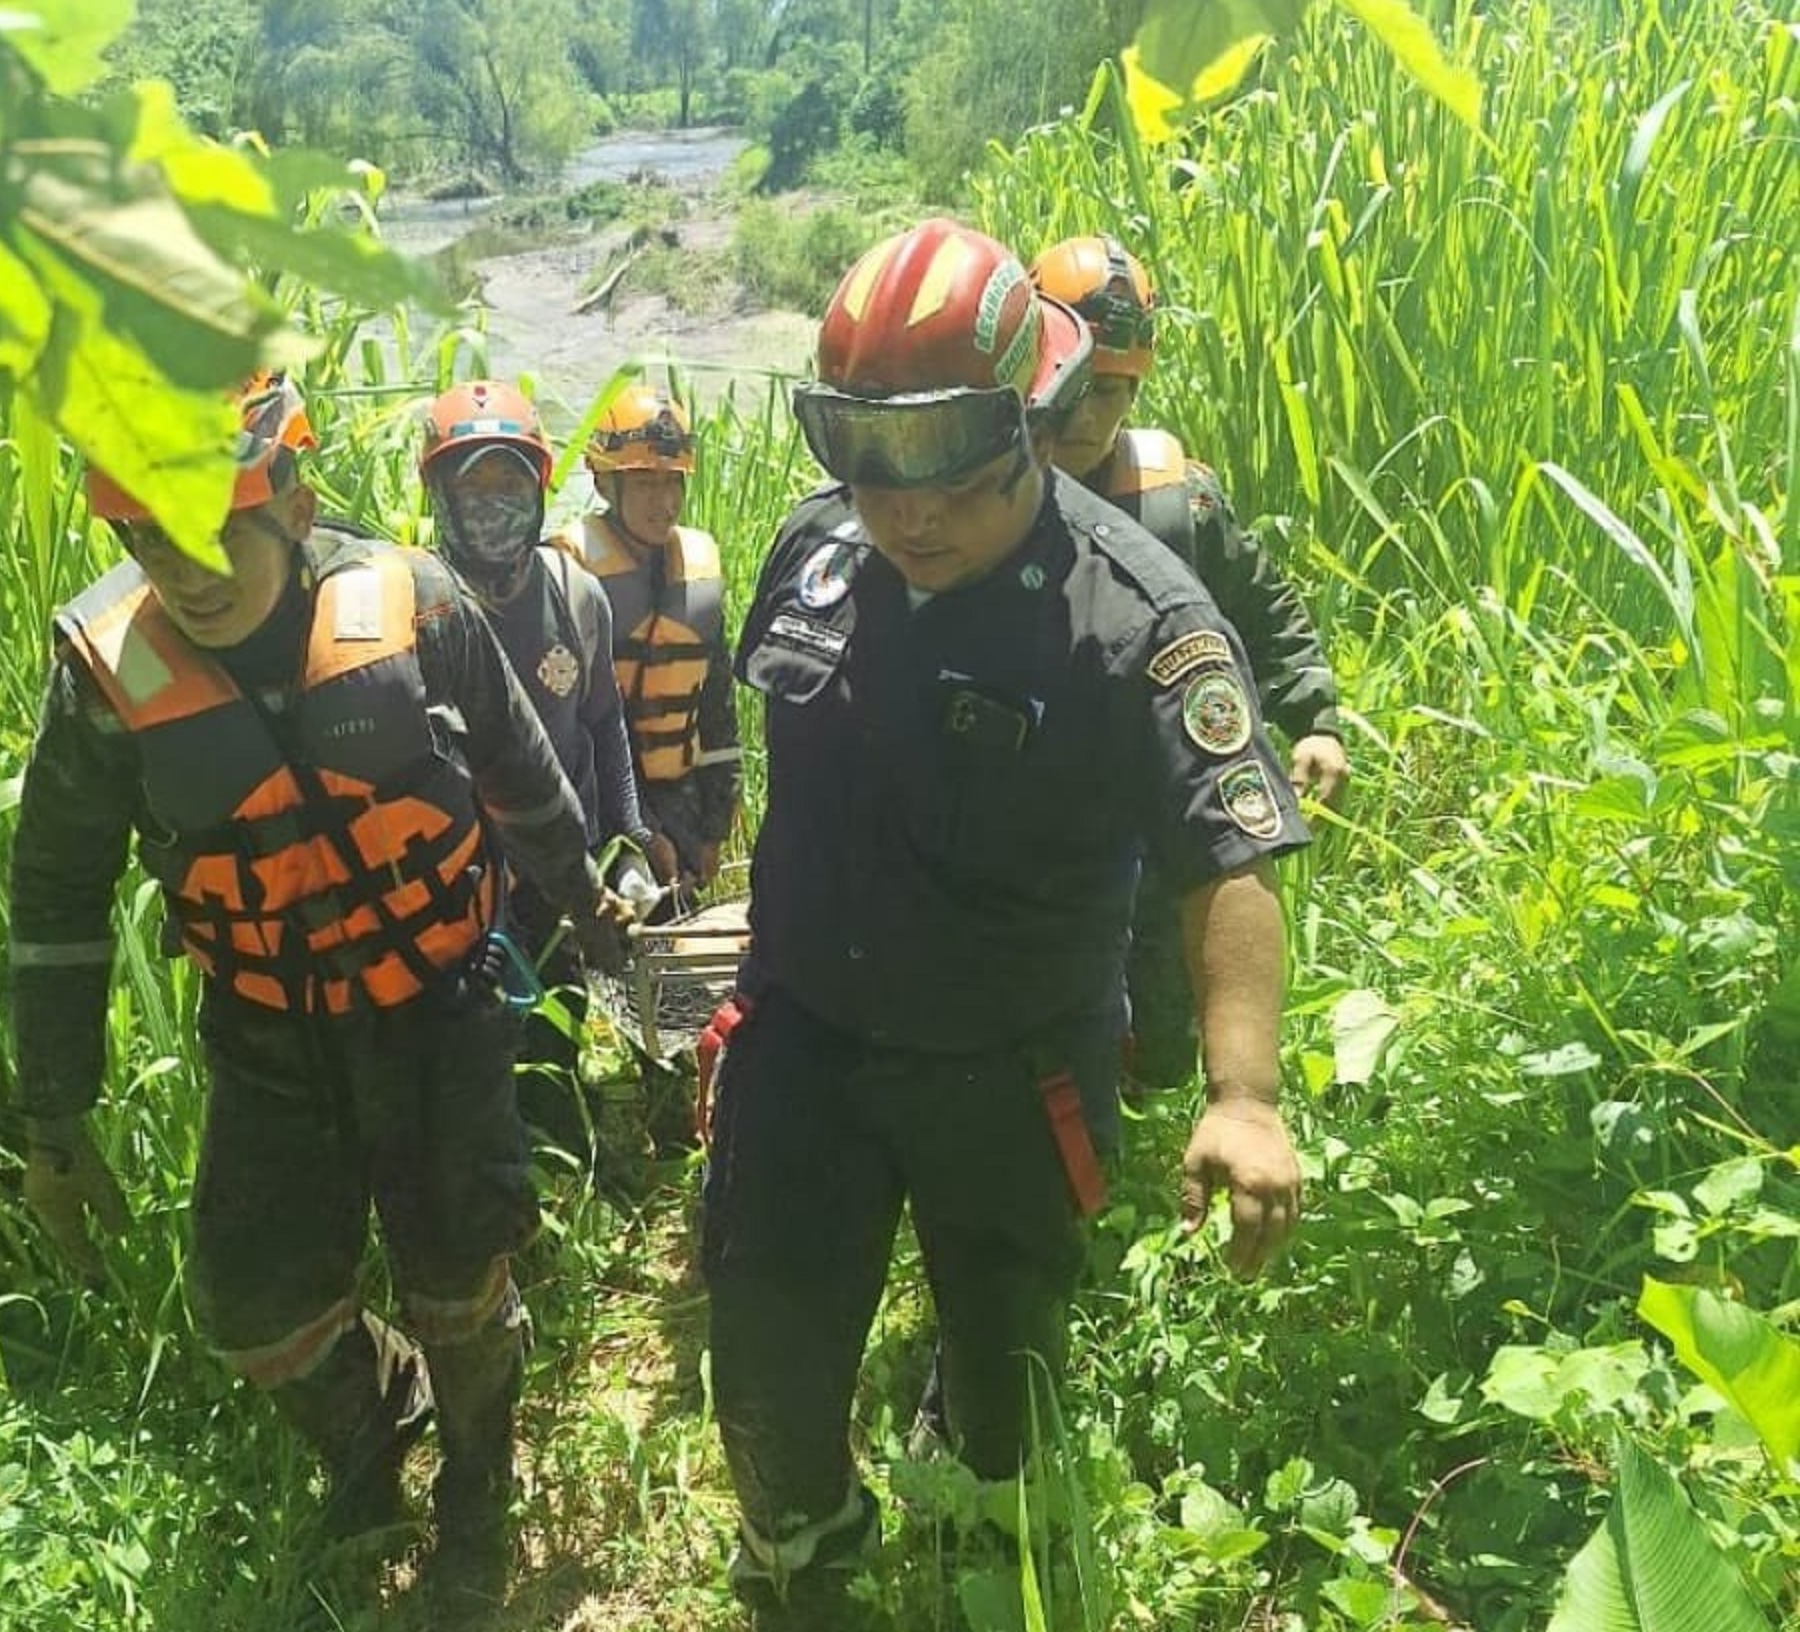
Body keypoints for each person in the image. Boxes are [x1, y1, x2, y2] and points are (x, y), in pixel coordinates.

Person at [703, 220, 1309, 1628]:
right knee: (767, 1360)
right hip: (807, 1045)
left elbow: (1229, 858)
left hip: (1010, 1069)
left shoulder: (1137, 618)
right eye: (867, 467)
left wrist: (1245, 1094)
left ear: (1029, 414)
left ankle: (993, 1554)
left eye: (954, 479)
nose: (907, 514)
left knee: (1003, 1374)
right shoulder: (815, 552)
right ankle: (808, 1567)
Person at [7, 374, 629, 1624]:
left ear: (288, 498)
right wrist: (54, 1121)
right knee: (256, 1311)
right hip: (266, 1036)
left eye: (216, 527)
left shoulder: (423, 606)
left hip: (439, 1013)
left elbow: (525, 782)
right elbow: (56, 903)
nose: (186, 571)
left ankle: (475, 1487)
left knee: (461, 1279)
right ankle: (377, 1415)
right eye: (149, 539)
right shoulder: (105, 679)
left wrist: (596, 917)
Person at [1032, 234, 1349, 1092]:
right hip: (1035, 824)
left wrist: (1313, 716)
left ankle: (1154, 1116)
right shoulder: (981, 493)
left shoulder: (1181, 500)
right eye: (1077, 388)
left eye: (1117, 393)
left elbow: (1264, 604)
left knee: (1164, 1031)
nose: (1091, 418)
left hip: (1156, 809)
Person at [417, 379, 652, 1160]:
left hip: (562, 882)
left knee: (555, 1043)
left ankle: (565, 1175)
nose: (493, 503)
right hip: (457, 895)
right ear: (438, 494)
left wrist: (631, 845)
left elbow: (603, 729)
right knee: (470, 1078)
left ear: (540, 490)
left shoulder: (576, 598)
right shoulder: (412, 613)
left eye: (510, 483)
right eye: (472, 484)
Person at [552, 384, 741, 909]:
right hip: (604, 796)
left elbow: (717, 708)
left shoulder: (698, 564)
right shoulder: (571, 572)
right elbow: (579, 723)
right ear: (606, 483)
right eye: (644, 484)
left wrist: (714, 825)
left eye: (672, 482)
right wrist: (640, 829)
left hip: (679, 794)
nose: (664, 503)